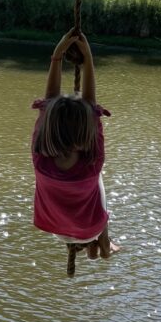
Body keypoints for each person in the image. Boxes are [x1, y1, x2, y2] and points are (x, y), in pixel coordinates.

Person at [31, 28, 119, 270]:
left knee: (92, 181)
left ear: (48, 126)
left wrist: (57, 55)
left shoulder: (41, 160)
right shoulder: (91, 164)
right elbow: (89, 103)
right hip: (89, 228)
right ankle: (102, 243)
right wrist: (87, 57)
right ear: (87, 131)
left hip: (57, 229)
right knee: (98, 179)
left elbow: (53, 102)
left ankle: (98, 243)